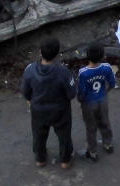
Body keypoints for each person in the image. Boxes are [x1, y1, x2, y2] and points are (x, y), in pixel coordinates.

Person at [20, 37, 77, 168]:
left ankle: (40, 159)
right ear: (57, 54)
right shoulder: (63, 72)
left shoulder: (30, 70)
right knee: (64, 135)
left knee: (39, 135)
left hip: (39, 110)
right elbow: (72, 93)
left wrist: (30, 100)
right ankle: (65, 160)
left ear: (40, 52)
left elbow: (25, 91)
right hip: (60, 111)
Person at [77, 42, 117, 161]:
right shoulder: (106, 68)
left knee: (91, 127)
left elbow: (81, 91)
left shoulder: (83, 72)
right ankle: (108, 144)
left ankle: (92, 151)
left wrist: (81, 100)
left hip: (89, 103)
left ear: (87, 56)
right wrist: (105, 92)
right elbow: (112, 83)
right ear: (102, 56)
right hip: (102, 99)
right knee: (105, 121)